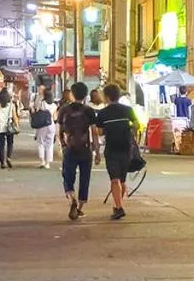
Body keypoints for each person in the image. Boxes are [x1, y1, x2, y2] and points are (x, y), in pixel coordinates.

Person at [94, 84, 139, 220]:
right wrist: (130, 131)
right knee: (122, 180)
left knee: (115, 180)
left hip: (112, 148)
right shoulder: (128, 110)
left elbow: (100, 131)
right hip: (126, 148)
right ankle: (118, 205)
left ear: (106, 97)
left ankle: (119, 207)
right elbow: (136, 125)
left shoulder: (102, 113)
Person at [57, 82, 98, 220]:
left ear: (72, 94)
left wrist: (62, 145)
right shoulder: (89, 111)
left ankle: (71, 198)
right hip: (85, 149)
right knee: (85, 178)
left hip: (69, 148)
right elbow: (95, 133)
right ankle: (79, 208)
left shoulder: (63, 110)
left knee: (68, 177)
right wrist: (97, 152)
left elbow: (59, 132)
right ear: (86, 95)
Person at [0, 86, 21, 169]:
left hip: (0, 126)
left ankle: (2, 162)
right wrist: (17, 127)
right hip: (9, 126)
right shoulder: (11, 105)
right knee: (10, 143)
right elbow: (15, 116)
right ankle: (8, 158)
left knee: (1, 145)